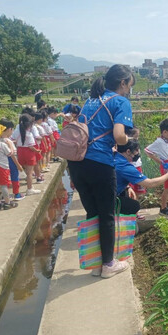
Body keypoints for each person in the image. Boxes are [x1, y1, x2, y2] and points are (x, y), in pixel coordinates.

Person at [67, 64, 135, 279]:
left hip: (77, 162)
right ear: (123, 83)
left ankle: (97, 263)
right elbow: (118, 136)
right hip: (99, 161)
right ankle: (108, 264)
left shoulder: (91, 99)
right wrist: (130, 138)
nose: (129, 90)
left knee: (92, 212)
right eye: (129, 85)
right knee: (106, 214)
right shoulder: (120, 101)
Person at [115, 139, 168, 217]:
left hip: (101, 193)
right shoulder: (124, 166)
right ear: (128, 151)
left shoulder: (114, 156)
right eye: (136, 151)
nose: (138, 154)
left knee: (126, 195)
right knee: (134, 206)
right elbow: (150, 183)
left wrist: (127, 187)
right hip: (107, 198)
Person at [144, 118, 168, 216]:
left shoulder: (166, 141)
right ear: (165, 132)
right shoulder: (159, 142)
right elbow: (147, 151)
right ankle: (163, 207)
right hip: (167, 166)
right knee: (167, 187)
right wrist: (160, 162)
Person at [15, 114, 42, 196]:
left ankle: (29, 186)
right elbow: (31, 147)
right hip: (29, 153)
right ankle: (29, 189)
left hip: (20, 151)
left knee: (26, 170)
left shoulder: (17, 131)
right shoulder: (29, 134)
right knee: (29, 173)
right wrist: (37, 150)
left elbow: (13, 140)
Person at [0, 119, 25, 200]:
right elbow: (12, 154)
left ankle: (4, 196)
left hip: (0, 162)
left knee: (4, 179)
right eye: (12, 129)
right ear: (9, 129)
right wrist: (18, 165)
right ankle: (16, 194)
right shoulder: (7, 141)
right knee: (14, 176)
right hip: (11, 161)